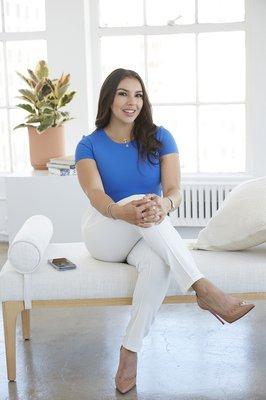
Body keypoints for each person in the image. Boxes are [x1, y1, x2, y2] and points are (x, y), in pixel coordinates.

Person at [75, 68, 255, 394]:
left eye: (138, 95)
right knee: (137, 201)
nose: (132, 102)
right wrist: (123, 210)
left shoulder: (160, 137)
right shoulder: (88, 145)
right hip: (106, 230)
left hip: (146, 227)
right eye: (123, 94)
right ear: (108, 99)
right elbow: (96, 195)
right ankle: (204, 290)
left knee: (157, 264)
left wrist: (164, 205)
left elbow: (174, 191)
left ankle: (129, 353)